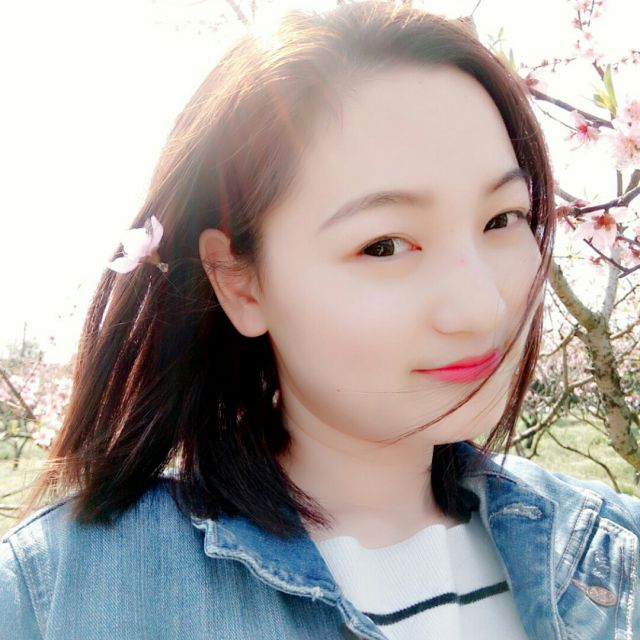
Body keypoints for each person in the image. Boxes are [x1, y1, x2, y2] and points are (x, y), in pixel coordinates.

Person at [1, 2, 638, 639]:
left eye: (503, 219)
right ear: (238, 281)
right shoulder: (66, 593)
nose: (483, 307)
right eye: (384, 245)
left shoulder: (613, 559)